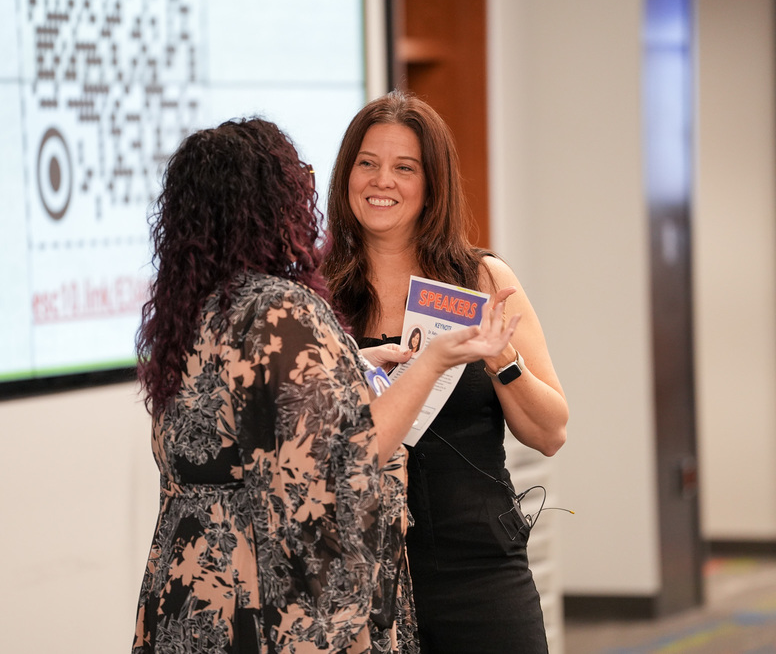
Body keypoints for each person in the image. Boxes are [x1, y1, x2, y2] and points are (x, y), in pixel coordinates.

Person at [132, 117, 519, 653]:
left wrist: (348, 364)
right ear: (273, 203)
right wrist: (432, 362)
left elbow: (251, 420)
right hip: (261, 600)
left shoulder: (196, 313)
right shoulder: (280, 309)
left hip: (192, 595)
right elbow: (349, 455)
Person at [322, 92, 569, 654]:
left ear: (432, 183)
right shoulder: (315, 292)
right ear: (346, 175)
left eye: (404, 168)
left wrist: (499, 358)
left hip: (477, 569)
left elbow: (551, 432)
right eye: (367, 163)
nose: (381, 181)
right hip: (353, 575)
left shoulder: (480, 279)